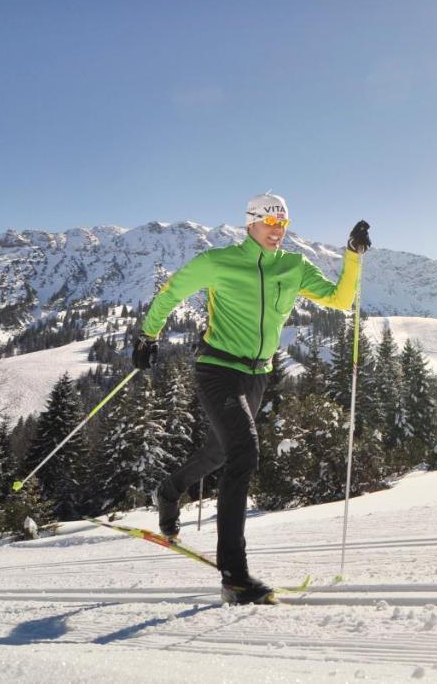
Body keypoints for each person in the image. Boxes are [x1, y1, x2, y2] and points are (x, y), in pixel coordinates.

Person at [132, 193, 370, 604]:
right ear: (250, 224)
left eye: (283, 224)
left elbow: (340, 299)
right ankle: (234, 577)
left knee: (221, 454)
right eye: (269, 223)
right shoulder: (218, 262)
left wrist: (352, 256)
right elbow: (171, 293)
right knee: (244, 454)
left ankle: (169, 491)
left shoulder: (294, 267)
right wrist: (148, 335)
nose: (277, 231)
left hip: (258, 373)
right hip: (218, 368)